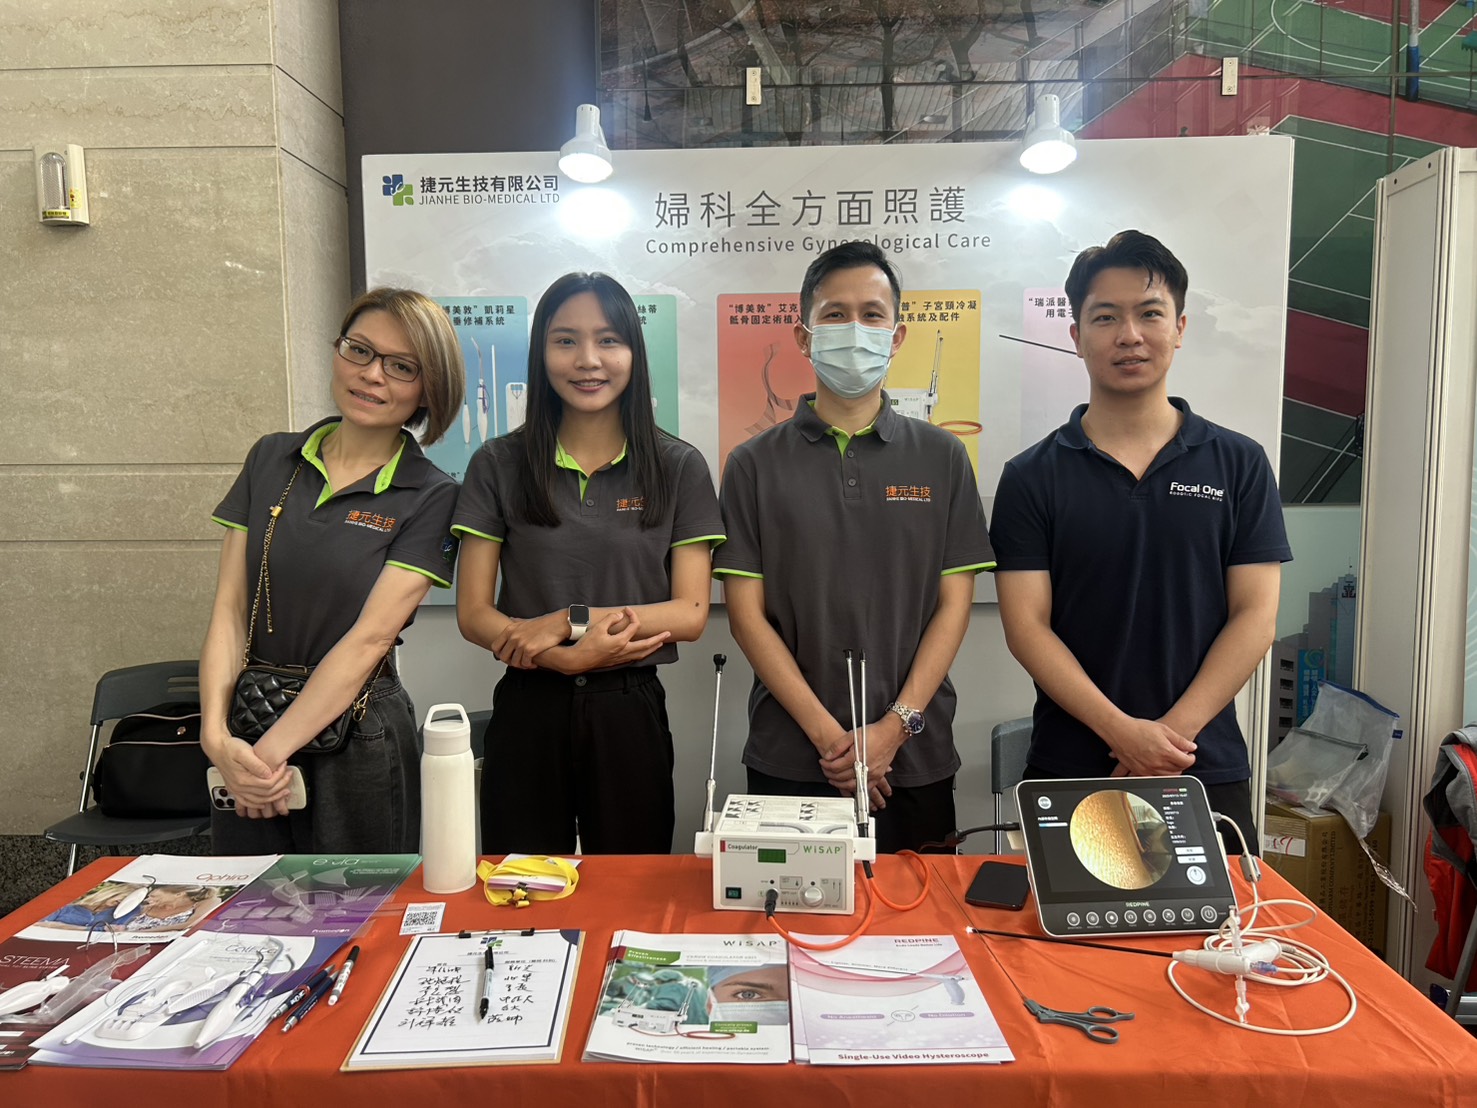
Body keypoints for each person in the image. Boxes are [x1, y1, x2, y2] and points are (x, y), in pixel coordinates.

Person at [989, 230, 1291, 855]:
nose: (1129, 335)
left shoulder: (1238, 463)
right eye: (1105, 317)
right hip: (1071, 767)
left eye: (1149, 314)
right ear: (1075, 335)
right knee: (1064, 924)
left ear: (1179, 328)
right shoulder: (1031, 476)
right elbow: (1027, 627)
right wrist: (1121, 733)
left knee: (1218, 922)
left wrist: (1168, 738)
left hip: (1201, 765)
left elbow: (1255, 616)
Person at [714, 242, 994, 854]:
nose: (855, 330)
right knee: (790, 911)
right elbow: (746, 617)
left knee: (921, 911)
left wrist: (894, 728)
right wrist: (831, 741)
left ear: (896, 337)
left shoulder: (943, 456)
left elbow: (954, 606)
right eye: (835, 314)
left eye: (872, 315)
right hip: (792, 756)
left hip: (913, 755)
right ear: (804, 335)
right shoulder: (753, 464)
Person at [453, 272, 724, 855]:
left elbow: (690, 613)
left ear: (633, 352)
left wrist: (567, 621)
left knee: (633, 884)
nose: (588, 360)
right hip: (528, 703)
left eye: (608, 340)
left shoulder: (678, 466)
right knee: (522, 883)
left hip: (628, 707)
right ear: (541, 352)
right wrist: (562, 656)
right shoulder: (497, 463)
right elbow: (474, 612)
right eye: (565, 340)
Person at [200, 288, 465, 852]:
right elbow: (229, 610)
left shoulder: (432, 494)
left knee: (357, 902)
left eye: (401, 366)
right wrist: (217, 738)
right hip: (250, 720)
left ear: (429, 388)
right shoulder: (271, 458)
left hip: (358, 732)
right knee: (248, 901)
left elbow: (370, 639)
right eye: (360, 350)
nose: (372, 375)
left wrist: (266, 759)